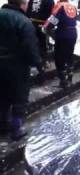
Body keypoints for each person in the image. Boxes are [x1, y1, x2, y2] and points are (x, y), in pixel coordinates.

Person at [0, 0, 42, 140]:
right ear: (22, 5)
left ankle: (2, 124)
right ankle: (16, 129)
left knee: (2, 95)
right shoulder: (24, 21)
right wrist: (37, 63)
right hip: (17, 66)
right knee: (19, 97)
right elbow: (30, 45)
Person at [43, 0, 77, 88]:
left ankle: (63, 80)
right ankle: (70, 78)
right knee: (69, 55)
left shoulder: (60, 5)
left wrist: (46, 27)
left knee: (59, 56)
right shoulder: (72, 6)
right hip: (73, 33)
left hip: (63, 33)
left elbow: (53, 19)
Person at [27, 0, 54, 67]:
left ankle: (34, 61)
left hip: (31, 24)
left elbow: (27, 11)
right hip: (42, 25)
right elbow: (52, 14)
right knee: (43, 44)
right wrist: (50, 26)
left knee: (32, 43)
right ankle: (44, 61)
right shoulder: (49, 1)